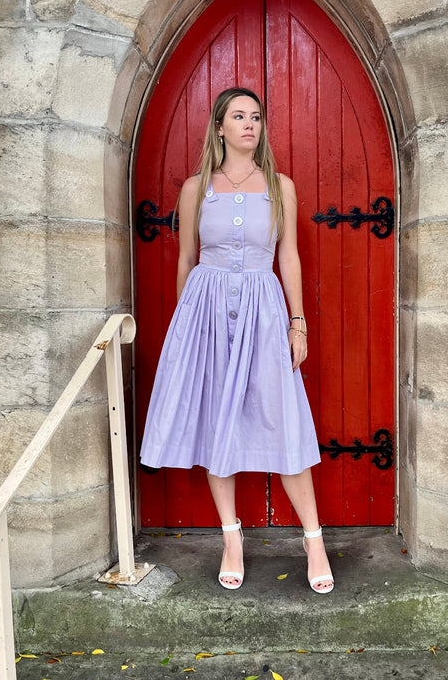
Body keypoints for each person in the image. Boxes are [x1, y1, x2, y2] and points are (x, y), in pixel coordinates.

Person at [140, 87, 334, 594]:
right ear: (220, 128)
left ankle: (314, 540)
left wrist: (298, 323)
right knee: (216, 424)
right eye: (239, 116)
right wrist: (187, 327)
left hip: (263, 310)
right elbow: (186, 259)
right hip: (205, 311)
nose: (250, 124)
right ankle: (232, 538)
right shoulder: (195, 186)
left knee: (282, 417)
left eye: (256, 117)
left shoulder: (280, 185)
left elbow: (288, 257)